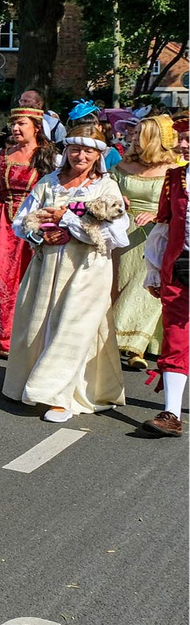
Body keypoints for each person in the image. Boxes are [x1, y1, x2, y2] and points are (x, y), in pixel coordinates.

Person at [1, 117, 129, 423]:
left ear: (99, 155)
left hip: (87, 268)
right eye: (75, 149)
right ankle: (33, 384)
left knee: (71, 329)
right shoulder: (48, 182)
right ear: (66, 150)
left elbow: (117, 234)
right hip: (47, 265)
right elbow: (21, 220)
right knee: (39, 325)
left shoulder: (106, 187)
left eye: (88, 152)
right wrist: (41, 232)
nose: (80, 156)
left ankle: (60, 397)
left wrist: (70, 224)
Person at [0, 107, 57, 359]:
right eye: (13, 123)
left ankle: (21, 341)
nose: (15, 128)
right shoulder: (2, 155)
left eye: (21, 124)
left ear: (36, 127)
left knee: (25, 281)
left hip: (33, 223)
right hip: (2, 221)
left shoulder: (50, 158)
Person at [112, 116, 178, 372]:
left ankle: (133, 345)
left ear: (155, 138)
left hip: (155, 233)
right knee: (121, 282)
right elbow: (107, 193)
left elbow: (179, 206)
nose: (133, 137)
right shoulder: (122, 165)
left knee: (144, 285)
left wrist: (157, 215)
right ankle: (128, 339)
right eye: (134, 132)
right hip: (123, 231)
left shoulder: (173, 170)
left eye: (140, 133)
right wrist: (118, 200)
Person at [143, 129, 188, 437]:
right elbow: (163, 225)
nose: (183, 144)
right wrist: (155, 269)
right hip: (181, 265)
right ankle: (171, 413)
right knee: (175, 336)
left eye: (189, 138)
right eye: (181, 138)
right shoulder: (175, 179)